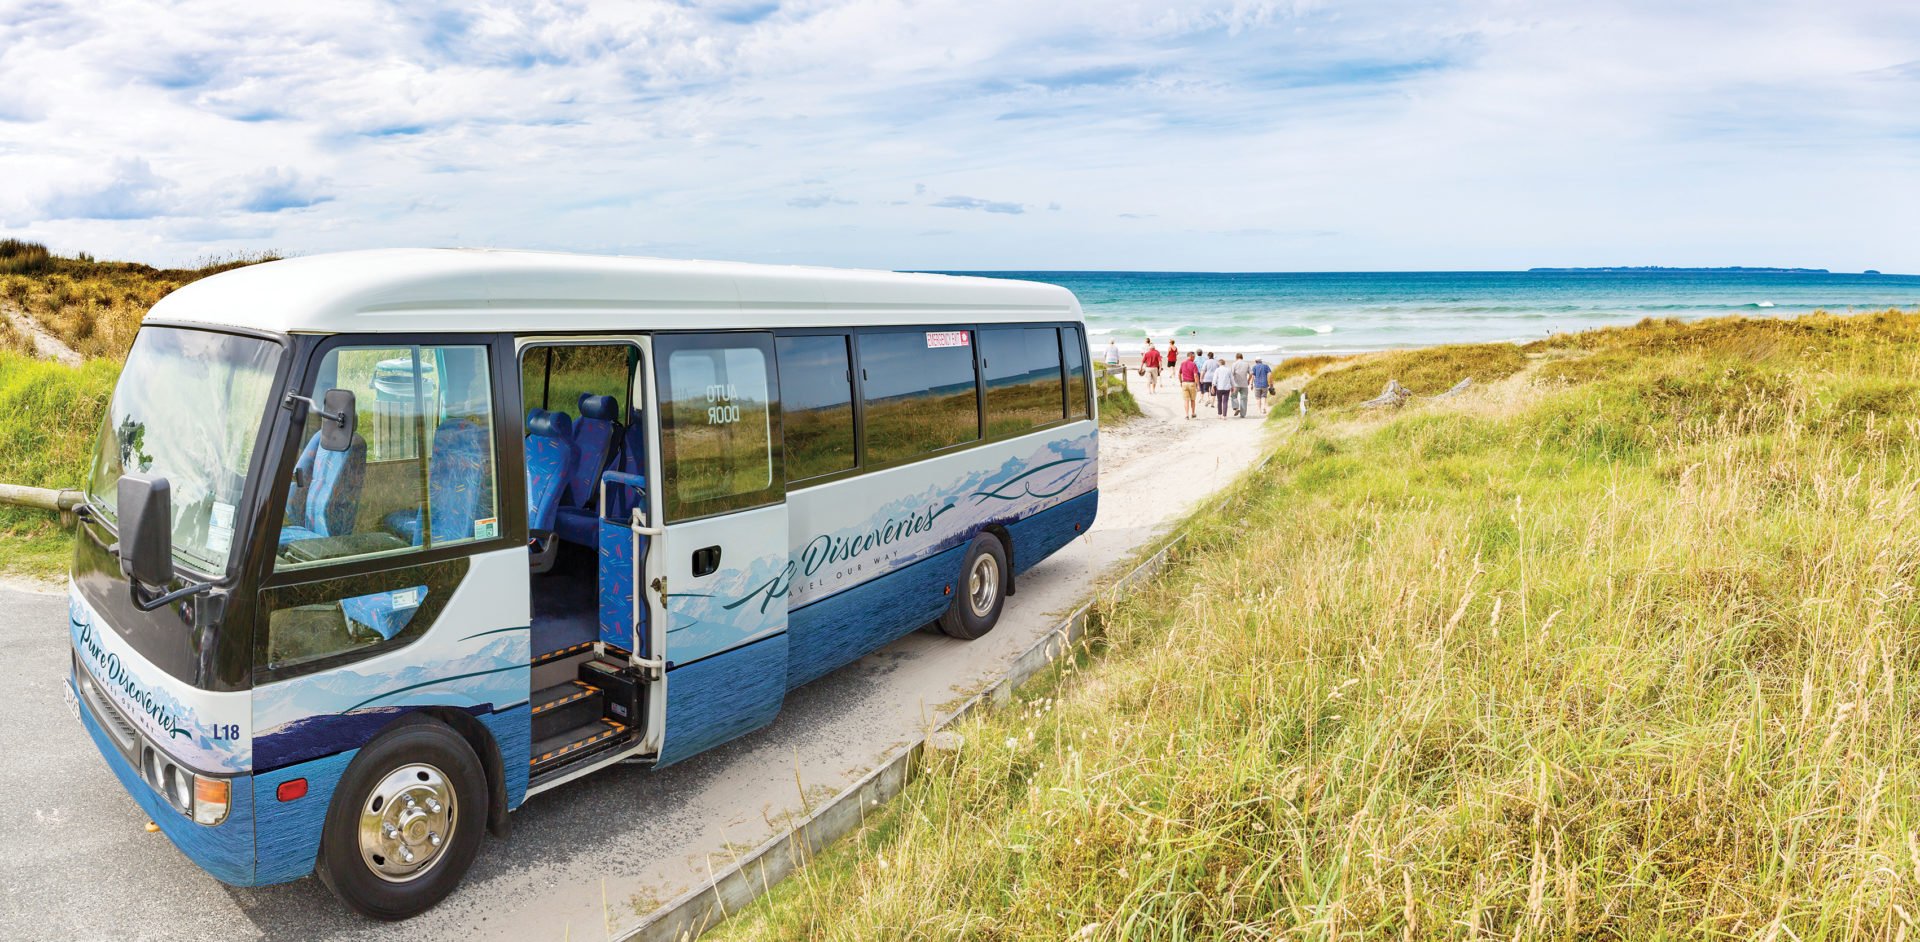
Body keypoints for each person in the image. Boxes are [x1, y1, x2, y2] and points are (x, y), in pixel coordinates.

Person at [1177, 352, 1200, 419]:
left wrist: (1181, 382)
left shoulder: (1182, 363)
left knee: (1186, 400)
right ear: (1191, 356)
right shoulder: (1193, 364)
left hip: (1184, 383)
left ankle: (1187, 415)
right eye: (1194, 357)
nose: (1194, 358)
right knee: (1193, 400)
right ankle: (1193, 413)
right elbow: (1195, 375)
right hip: (1192, 383)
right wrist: (1198, 385)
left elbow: (1179, 374)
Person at [1230, 353, 1252, 417]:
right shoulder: (1246, 364)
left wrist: (1231, 383)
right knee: (1244, 399)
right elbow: (1251, 373)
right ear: (1242, 357)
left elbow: (1231, 374)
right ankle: (1243, 415)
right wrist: (1248, 380)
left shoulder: (1234, 364)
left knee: (1233, 396)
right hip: (1244, 384)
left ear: (1236, 357)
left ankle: (1236, 408)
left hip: (1236, 384)